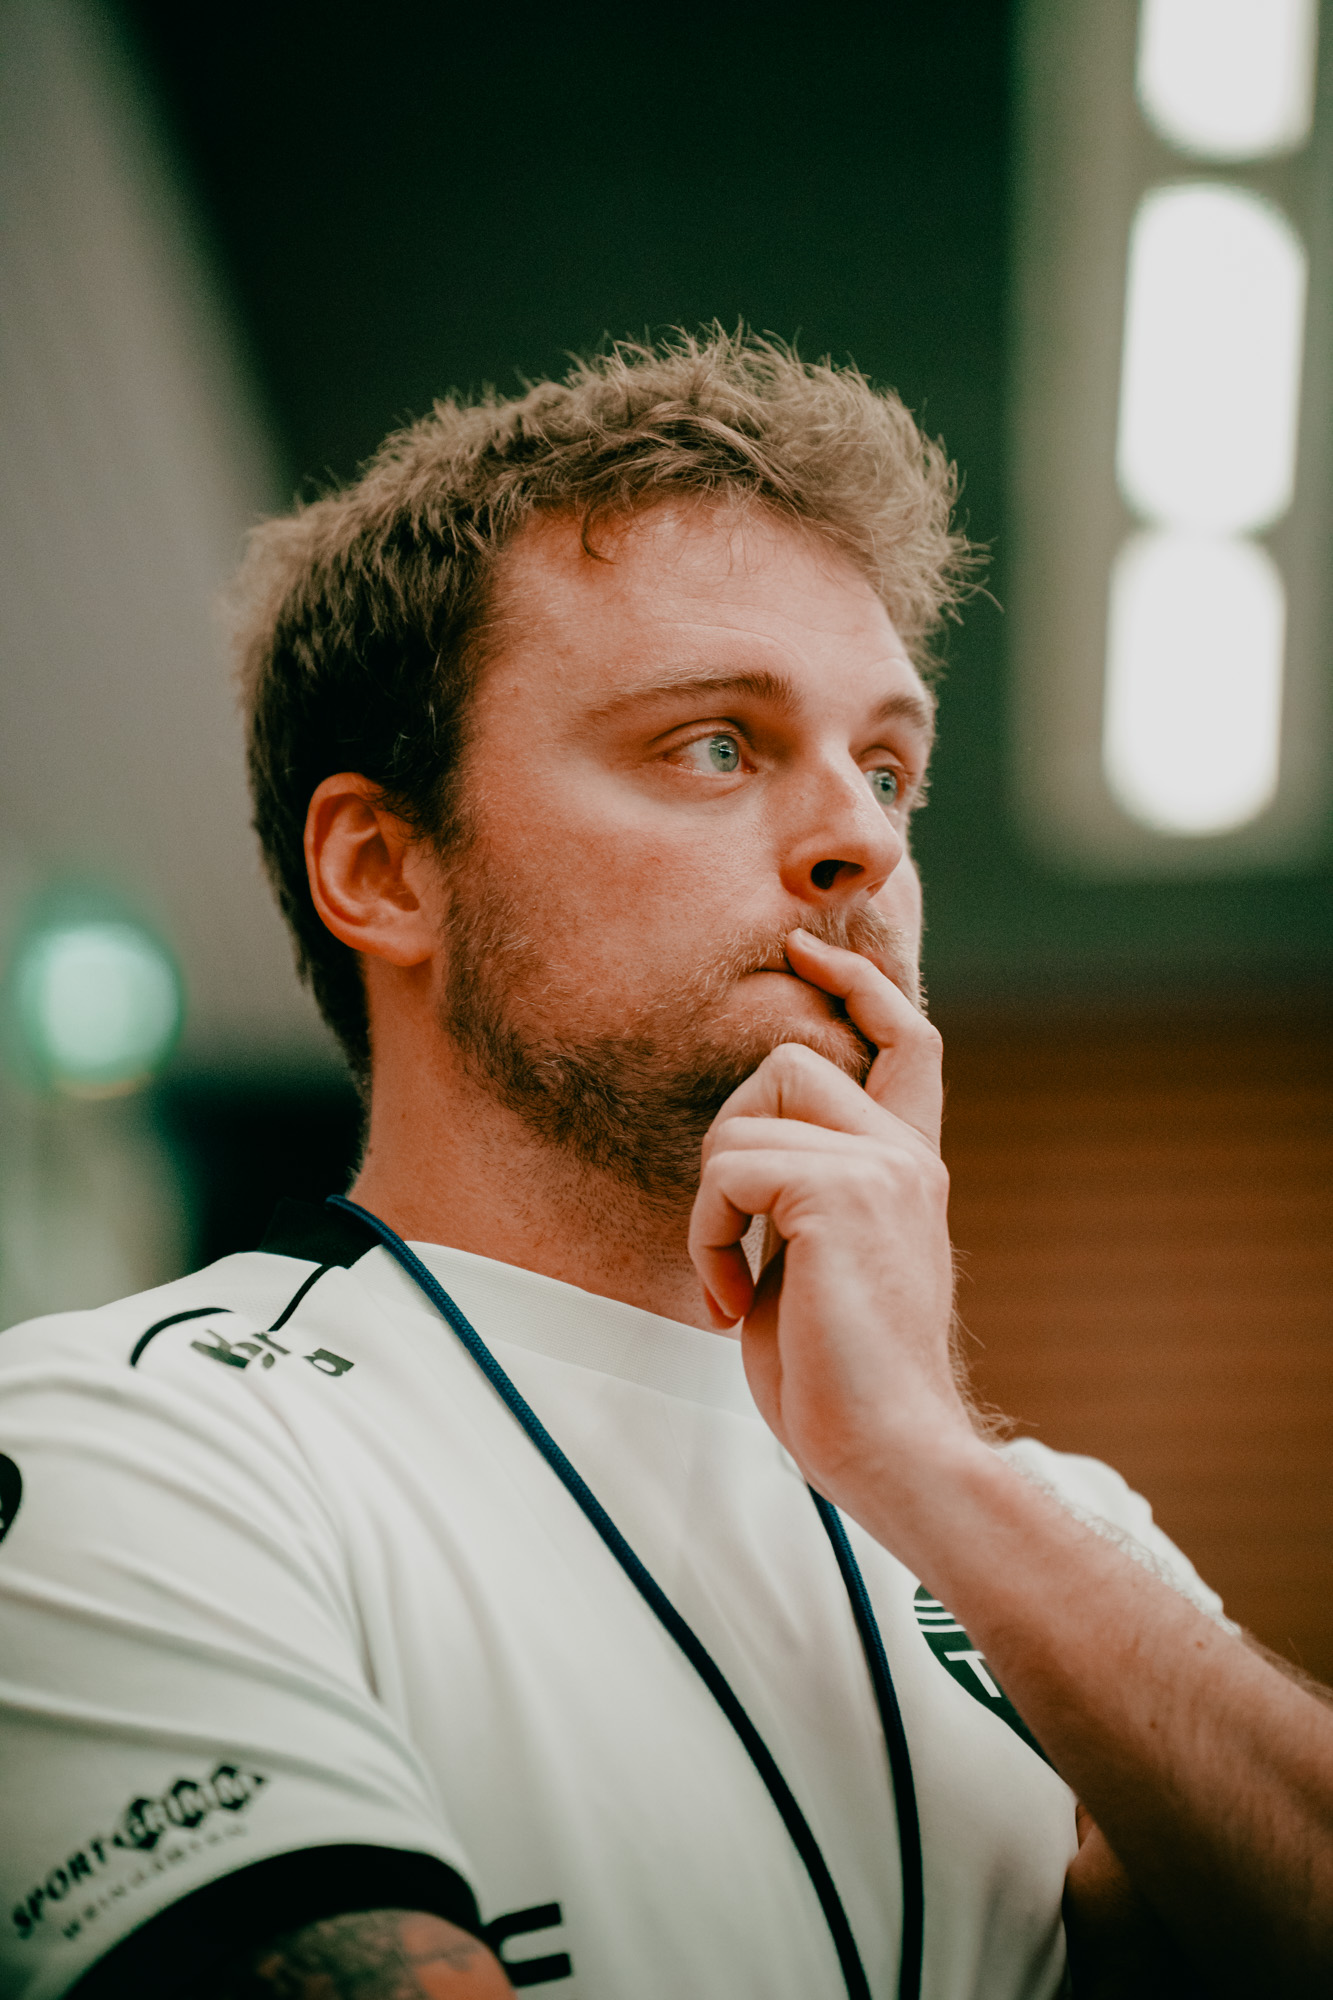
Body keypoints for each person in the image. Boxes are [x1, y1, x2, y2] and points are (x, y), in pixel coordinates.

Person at [0, 331, 1328, 2000]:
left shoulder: (1043, 1524)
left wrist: (929, 1461)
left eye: (888, 766)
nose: (862, 838)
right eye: (715, 744)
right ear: (385, 868)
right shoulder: (122, 1446)